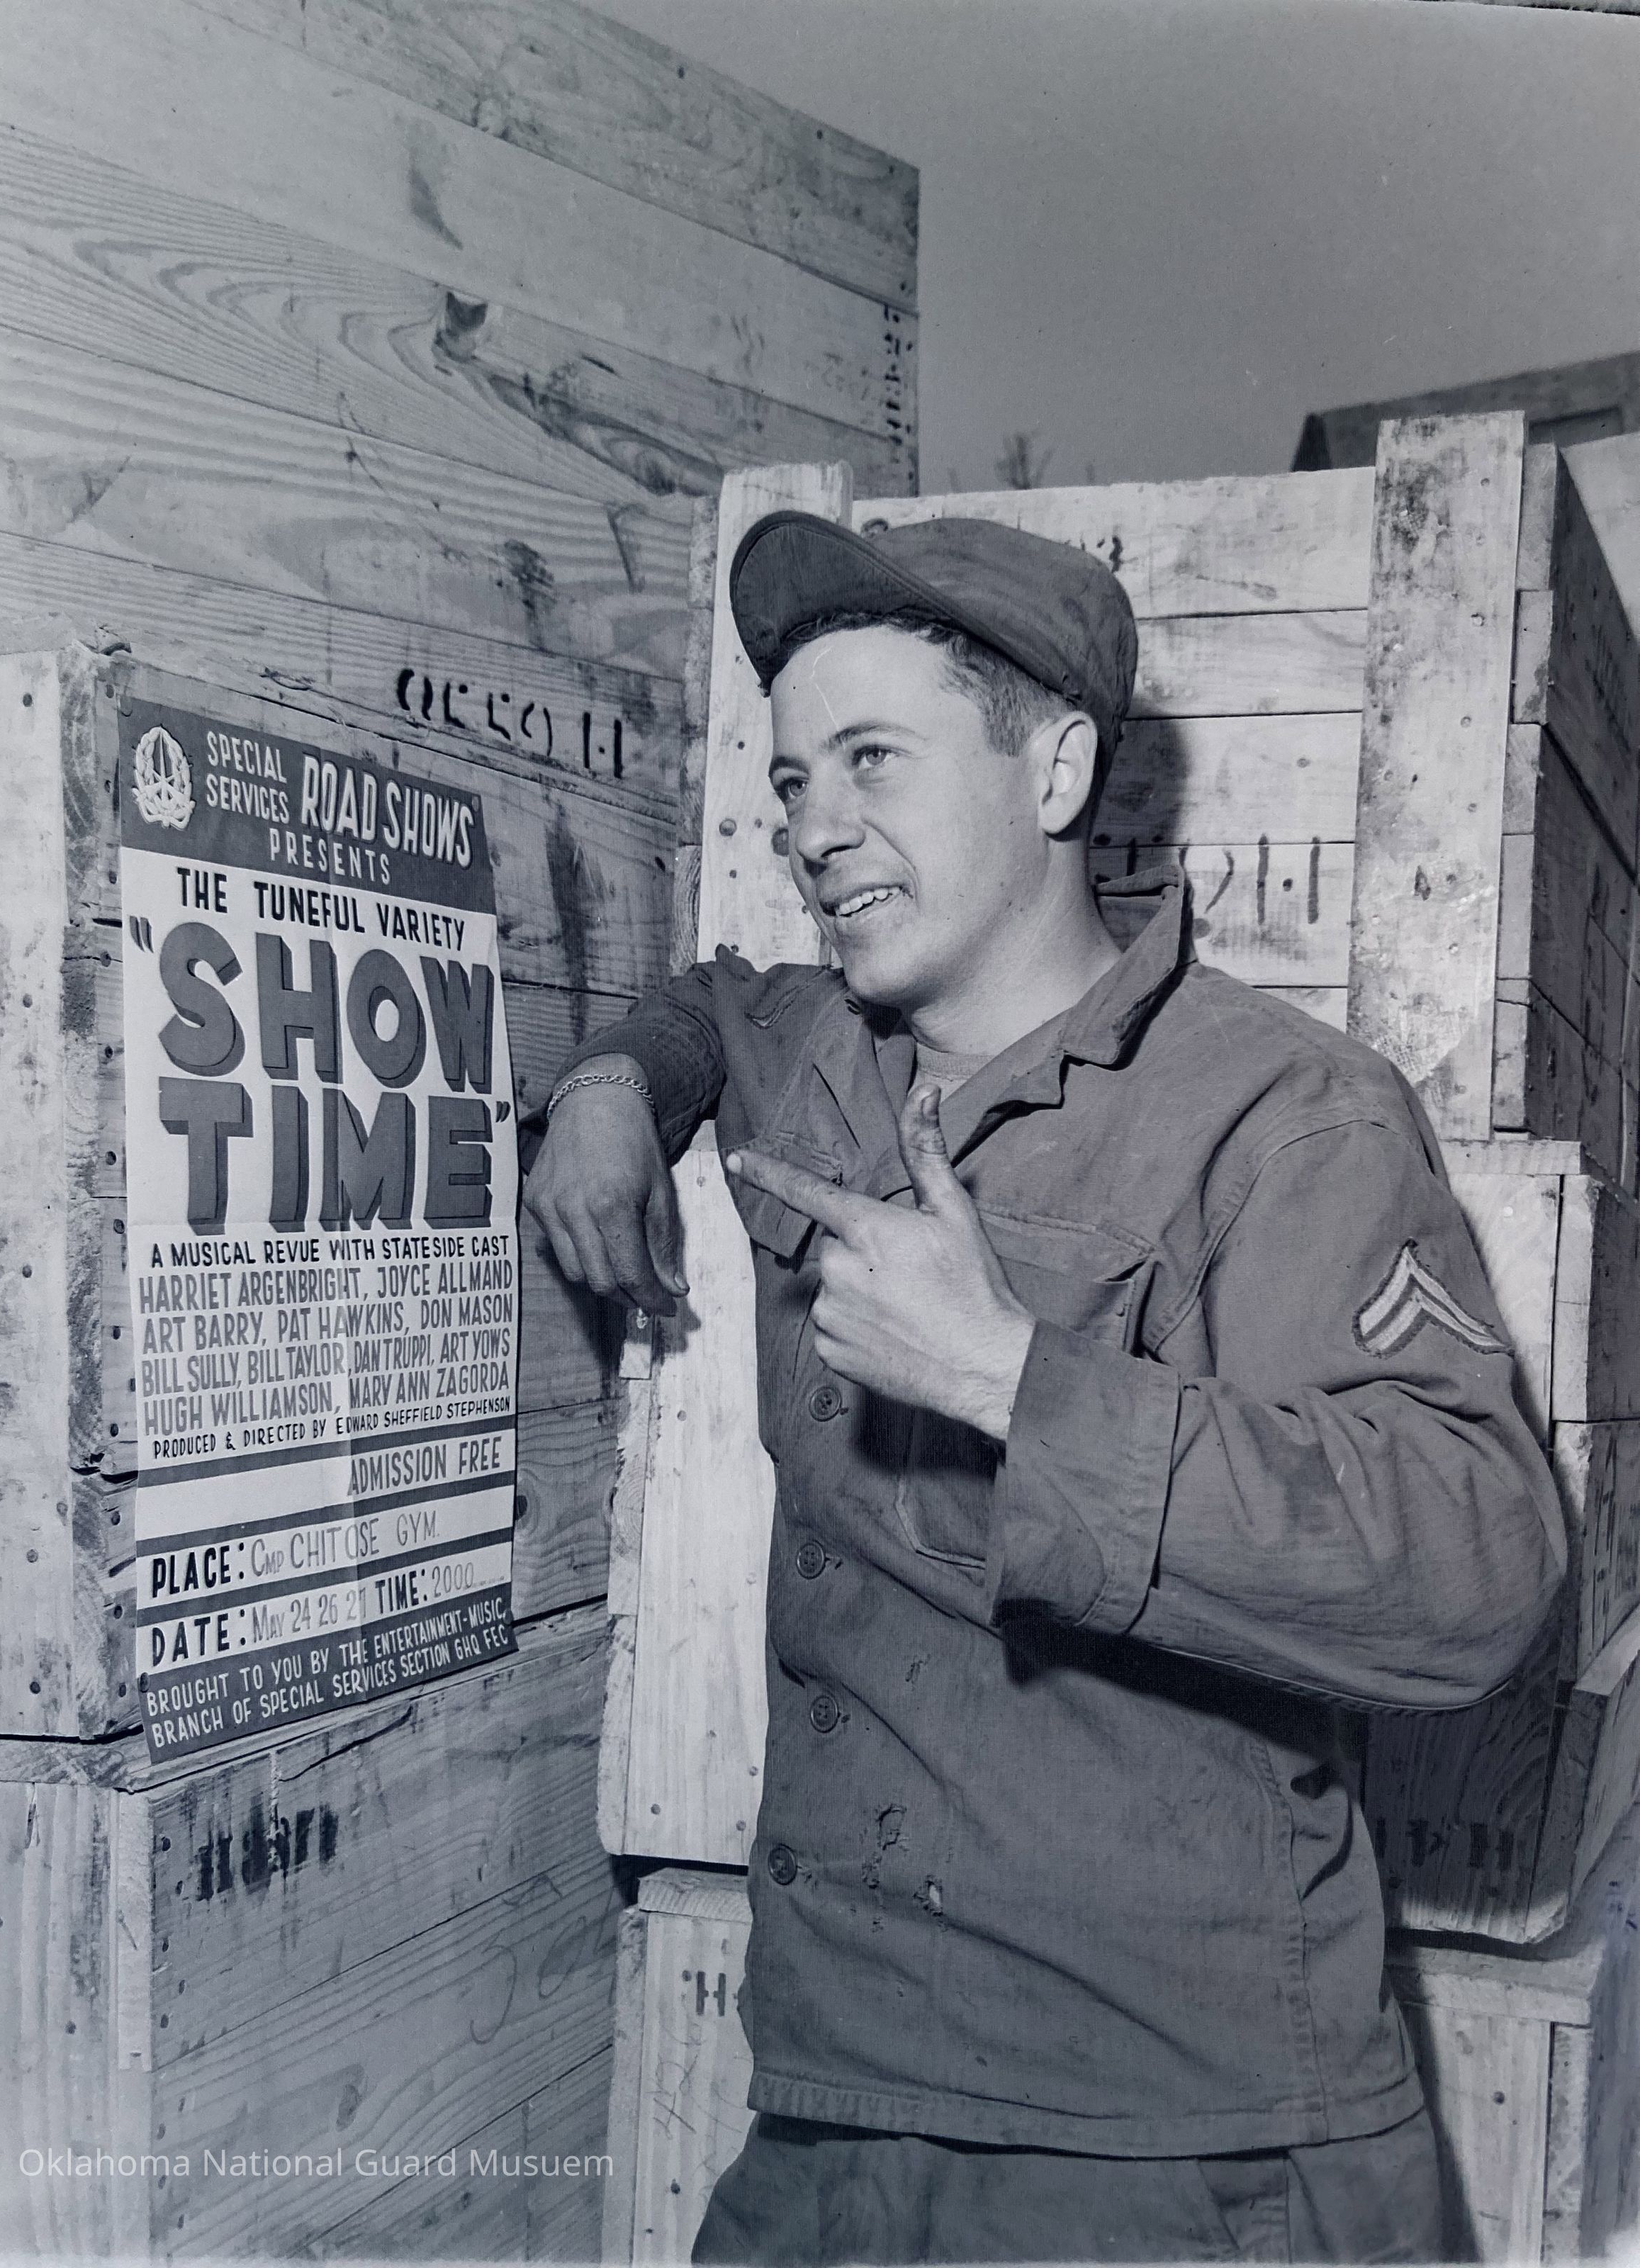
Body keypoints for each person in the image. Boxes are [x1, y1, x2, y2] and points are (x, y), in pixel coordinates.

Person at [525, 512, 1566, 2264]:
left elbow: (1481, 1564)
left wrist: (1018, 1379)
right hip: (832, 2124)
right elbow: (711, 1001)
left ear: (1060, 770)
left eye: (875, 759)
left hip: (1179, 2160)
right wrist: (615, 1088)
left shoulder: (1284, 1116)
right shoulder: (819, 1049)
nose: (815, 828)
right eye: (792, 783)